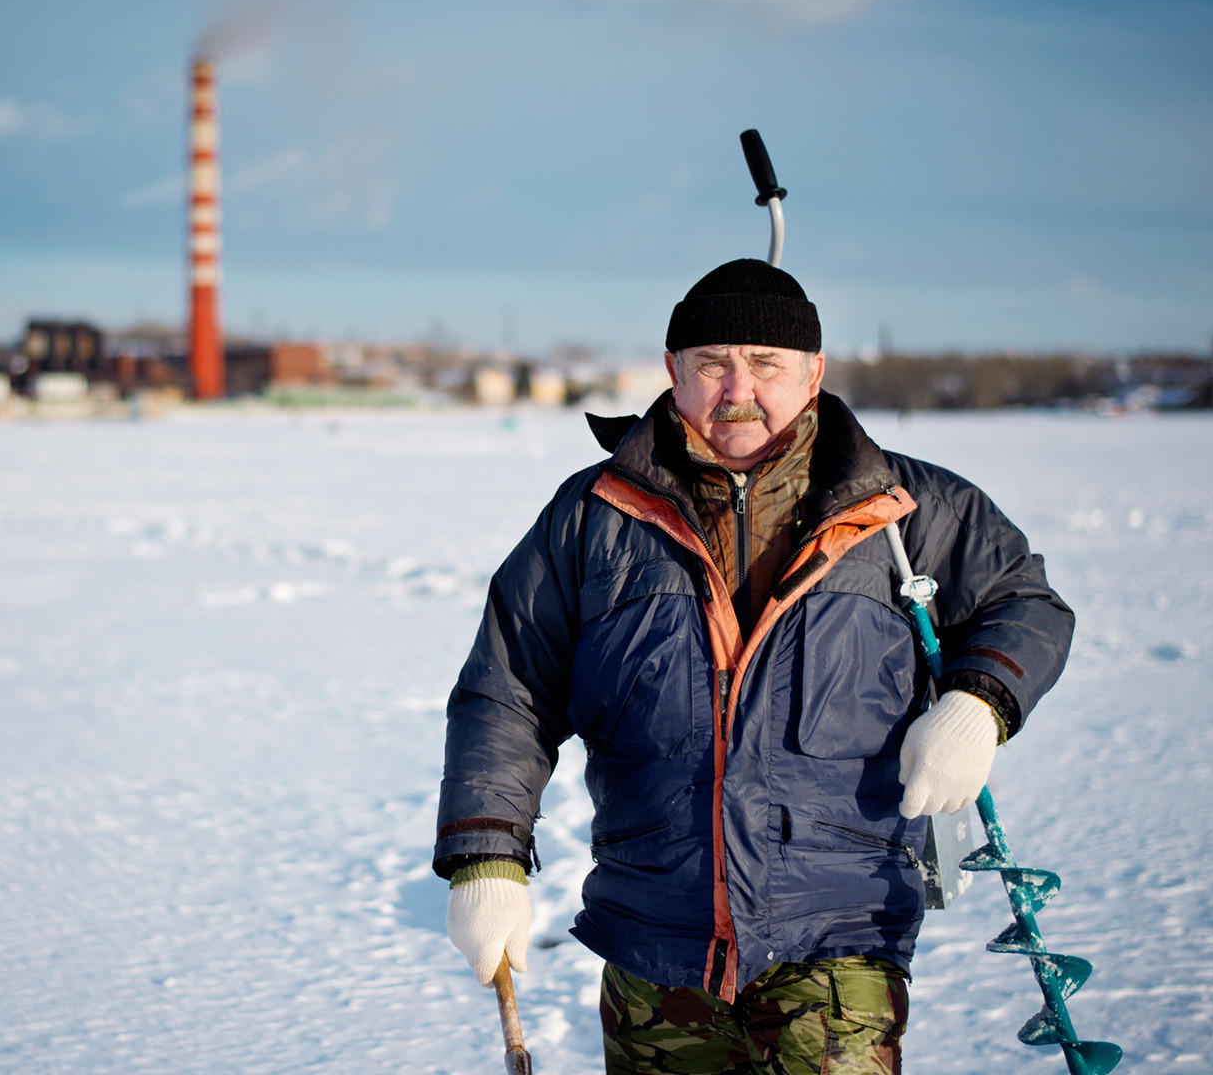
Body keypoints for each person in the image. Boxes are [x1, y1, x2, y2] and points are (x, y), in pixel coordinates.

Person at [433, 259, 1073, 1074]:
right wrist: (485, 855)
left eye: (766, 363)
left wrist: (980, 703)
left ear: (813, 374)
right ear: (673, 373)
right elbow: (508, 688)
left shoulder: (911, 510)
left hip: (839, 942)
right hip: (651, 946)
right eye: (712, 363)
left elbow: (1027, 603)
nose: (739, 388)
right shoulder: (594, 515)